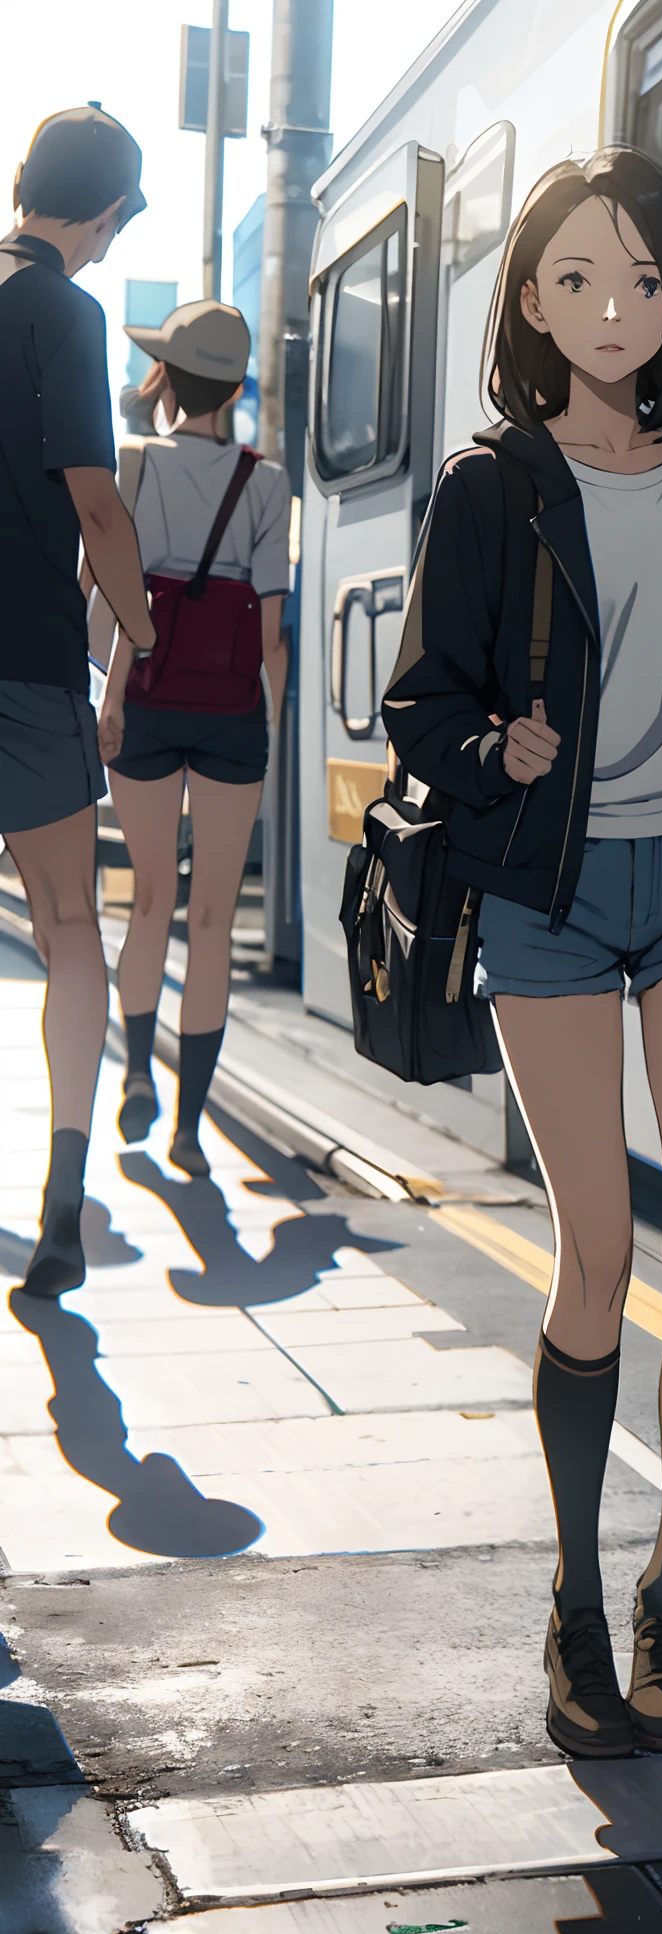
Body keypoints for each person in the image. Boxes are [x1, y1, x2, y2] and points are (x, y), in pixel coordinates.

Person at [383, 149, 662, 1759]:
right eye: (576, 279)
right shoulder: (488, 488)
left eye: (640, 281)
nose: (612, 308)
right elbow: (417, 701)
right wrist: (499, 746)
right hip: (551, 905)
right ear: (532, 300)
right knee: (596, 1255)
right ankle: (572, 1601)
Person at [0, 106, 153, 1297]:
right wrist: (139, 631)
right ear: (102, 216)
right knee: (67, 925)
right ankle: (62, 1193)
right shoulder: (65, 311)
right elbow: (95, 502)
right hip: (28, 663)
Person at [94, 301, 290, 1175]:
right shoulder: (269, 483)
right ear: (237, 388)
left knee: (149, 900)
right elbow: (274, 631)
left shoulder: (133, 465)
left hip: (145, 694)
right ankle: (186, 1129)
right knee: (211, 918)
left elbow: (107, 601)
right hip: (229, 714)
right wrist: (269, 726)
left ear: (167, 377)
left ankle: (135, 1072)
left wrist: (110, 698)